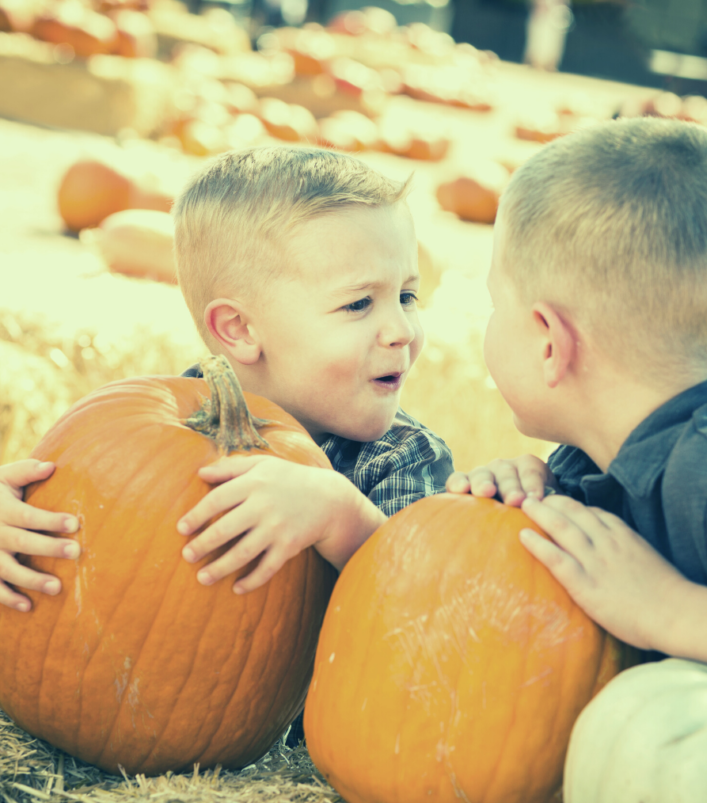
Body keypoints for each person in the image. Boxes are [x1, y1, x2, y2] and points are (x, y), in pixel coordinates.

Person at [447, 116, 707, 723]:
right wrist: (523, 509)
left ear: (550, 342)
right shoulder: (600, 456)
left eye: (493, 305)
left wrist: (669, 610)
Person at [0, 145, 453, 613]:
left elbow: (428, 611)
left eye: (407, 296)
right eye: (359, 304)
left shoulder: (404, 460)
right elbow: (83, 516)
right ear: (239, 330)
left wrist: (344, 516)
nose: (402, 330)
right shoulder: (158, 422)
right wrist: (15, 513)